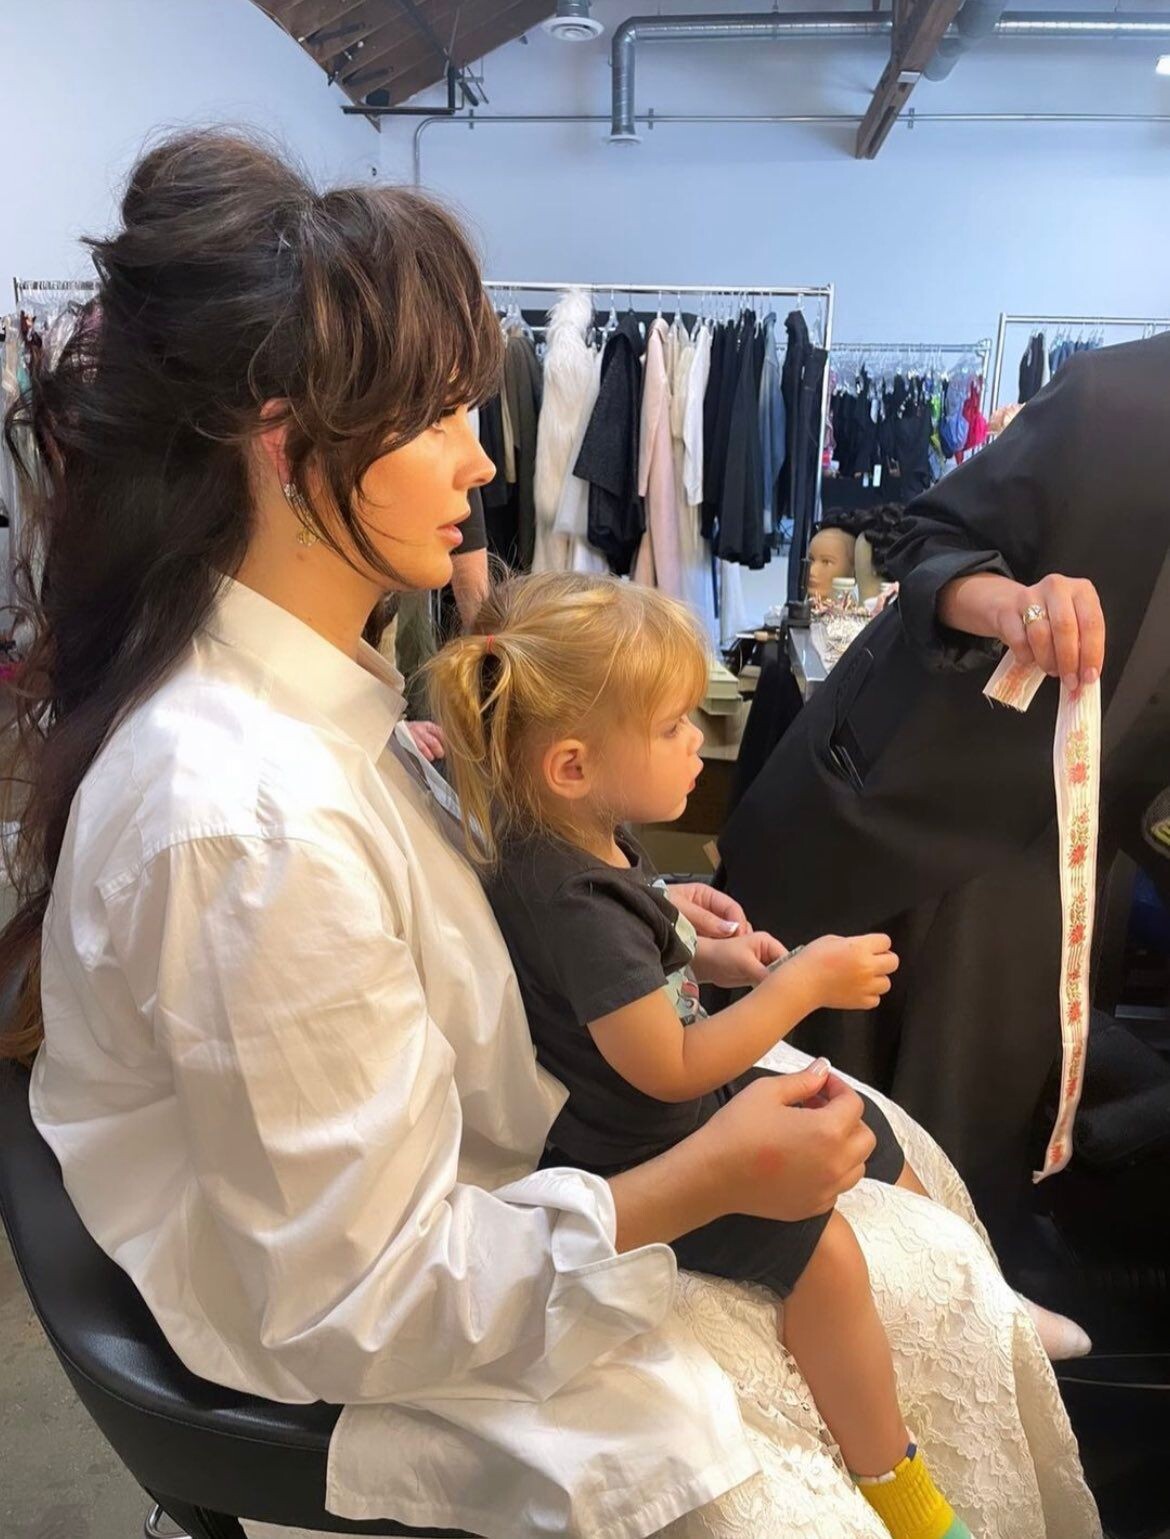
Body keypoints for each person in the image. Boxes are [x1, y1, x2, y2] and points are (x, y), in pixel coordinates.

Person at [0, 130, 1098, 1539]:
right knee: (866, 1328)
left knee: (899, 1222)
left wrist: (631, 915)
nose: (483, 456)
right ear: (284, 449)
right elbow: (362, 1301)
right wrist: (704, 1178)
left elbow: (418, 936)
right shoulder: (245, 819)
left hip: (485, 1189)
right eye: (436, 419)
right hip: (389, 1332)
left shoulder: (317, 710)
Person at [428, 571, 973, 1539]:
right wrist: (797, 985)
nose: (696, 743)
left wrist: (699, 947)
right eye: (675, 725)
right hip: (638, 1146)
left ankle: (972, 1295)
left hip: (669, 1110)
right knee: (825, 1257)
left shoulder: (574, 842)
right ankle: (904, 1492)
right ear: (572, 765)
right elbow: (669, 1065)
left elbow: (627, 969)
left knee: (859, 1116)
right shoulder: (576, 899)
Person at [718, 338, 1170, 1259]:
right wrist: (1009, 603)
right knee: (839, 1116)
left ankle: (954, 1302)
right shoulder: (1119, 401)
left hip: (1068, 851)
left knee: (979, 1129)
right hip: (902, 806)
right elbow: (923, 537)